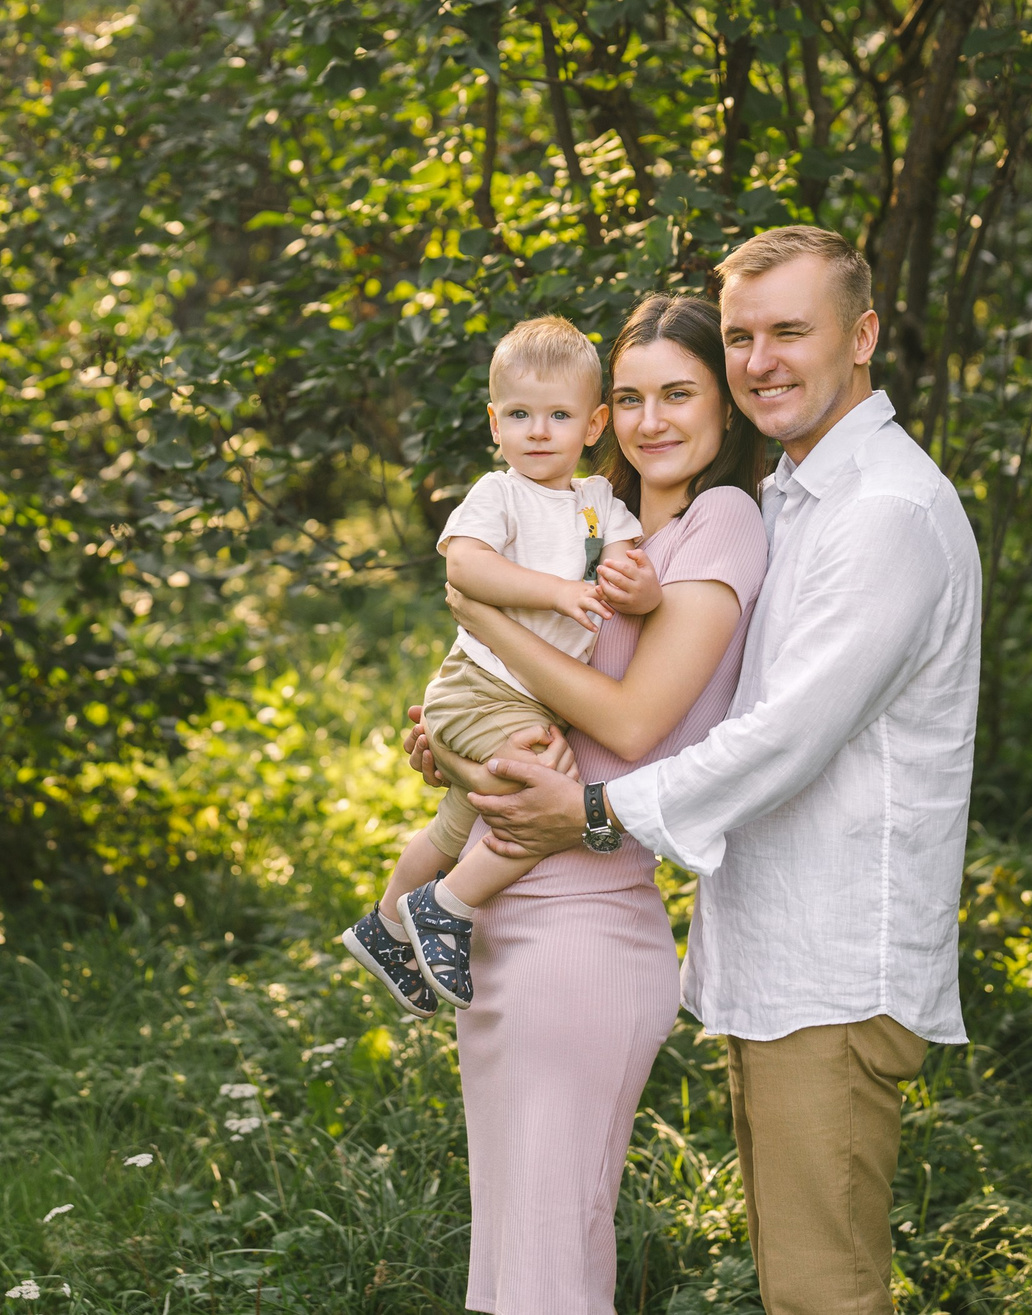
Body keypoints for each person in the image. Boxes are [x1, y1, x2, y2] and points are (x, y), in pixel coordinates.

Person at [438, 227, 982, 1315]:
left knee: (822, 1295)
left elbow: (778, 739)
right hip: (767, 957)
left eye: (791, 330)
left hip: (833, 965)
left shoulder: (883, 513)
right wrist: (477, 735)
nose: (764, 356)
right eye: (744, 335)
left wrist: (587, 811)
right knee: (793, 1284)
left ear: (863, 335)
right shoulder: (790, 498)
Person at [414, 294, 770, 1315]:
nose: (652, 420)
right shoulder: (593, 527)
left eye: (679, 394)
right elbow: (530, 701)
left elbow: (624, 721)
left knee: (547, 1274)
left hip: (582, 923)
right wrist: (446, 726)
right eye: (629, 397)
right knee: (517, 1266)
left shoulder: (722, 522)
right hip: (507, 911)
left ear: (726, 406)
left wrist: (481, 605)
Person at [340, 316, 653, 1016]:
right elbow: (466, 564)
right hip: (478, 688)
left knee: (459, 821)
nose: (538, 431)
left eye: (558, 415)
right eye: (519, 414)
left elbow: (635, 567)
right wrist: (558, 590)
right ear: (494, 422)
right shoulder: (500, 493)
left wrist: (643, 587)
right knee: (545, 781)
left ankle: (388, 921)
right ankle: (447, 905)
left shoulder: (599, 505)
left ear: (594, 424)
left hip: (527, 697)